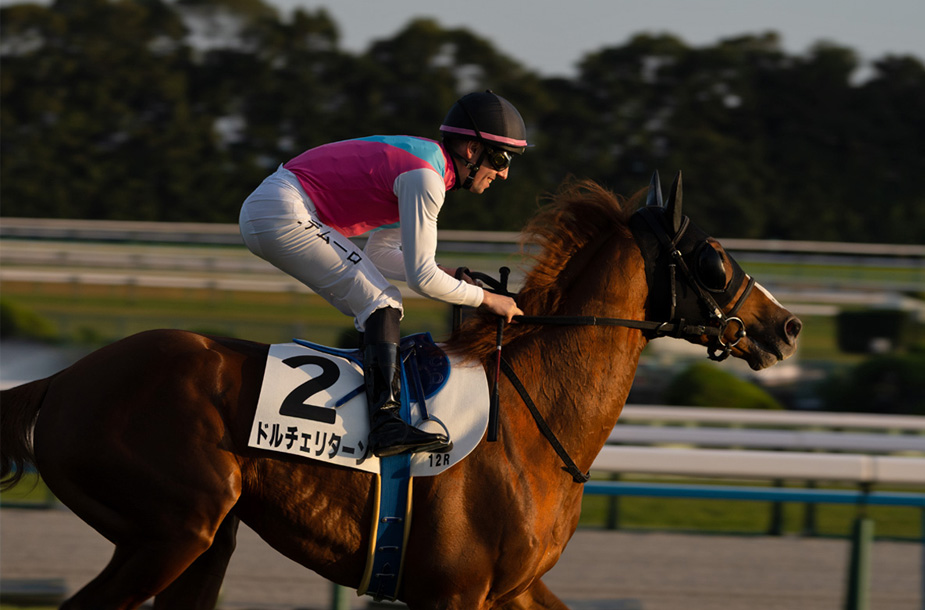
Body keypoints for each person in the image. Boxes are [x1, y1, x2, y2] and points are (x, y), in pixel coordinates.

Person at [239, 90, 526, 458]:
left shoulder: (427, 167)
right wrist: (487, 299)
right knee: (382, 302)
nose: (503, 174)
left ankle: (378, 412)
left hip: (277, 206)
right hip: (283, 209)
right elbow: (421, 279)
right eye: (501, 159)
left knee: (382, 299)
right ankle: (386, 424)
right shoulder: (425, 178)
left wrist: (449, 273)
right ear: (471, 150)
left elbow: (381, 253)